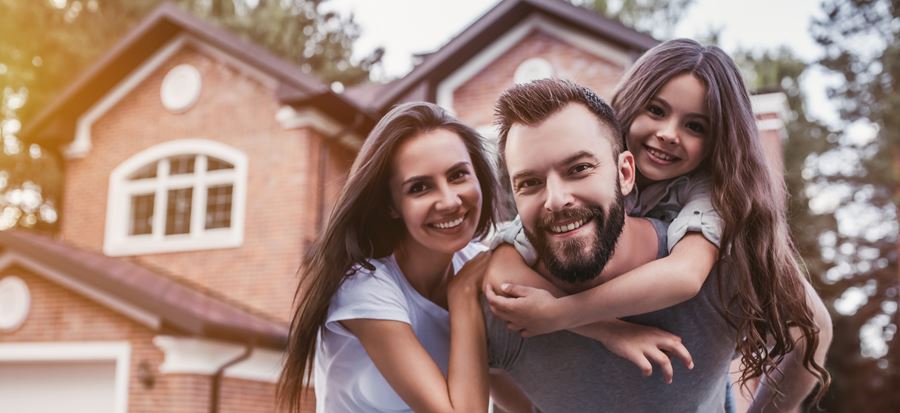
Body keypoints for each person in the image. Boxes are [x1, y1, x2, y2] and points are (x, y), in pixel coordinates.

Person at [483, 76, 830, 413]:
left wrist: (561, 313)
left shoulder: (714, 225)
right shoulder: (510, 297)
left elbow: (809, 327)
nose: (557, 200)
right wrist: (604, 331)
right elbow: (493, 274)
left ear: (625, 173)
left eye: (580, 168)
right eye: (530, 182)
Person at [277, 102, 502, 413]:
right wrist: (463, 296)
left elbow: (519, 386)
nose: (449, 200)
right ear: (391, 205)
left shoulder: (478, 263)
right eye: (420, 187)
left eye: (458, 175)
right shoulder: (363, 286)